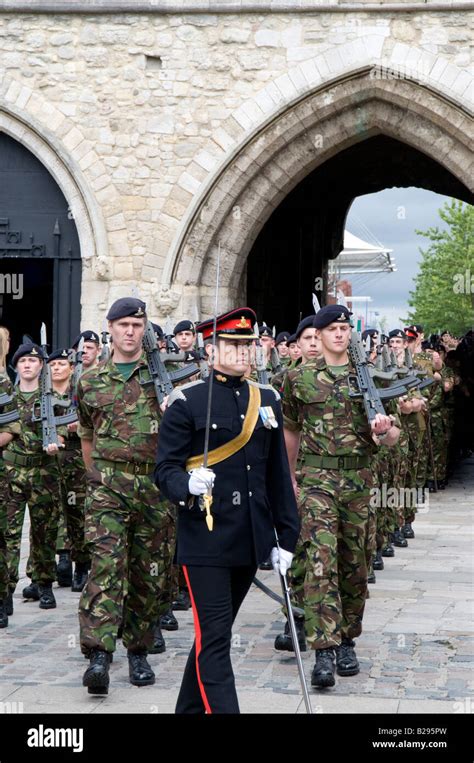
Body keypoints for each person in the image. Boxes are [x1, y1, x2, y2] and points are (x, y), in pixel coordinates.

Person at [155, 307, 300, 714]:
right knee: (215, 638)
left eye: (247, 346)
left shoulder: (267, 398)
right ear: (210, 348)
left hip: (249, 539)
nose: (243, 354)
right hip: (206, 539)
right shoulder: (186, 401)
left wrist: (285, 537)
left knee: (212, 636)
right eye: (233, 346)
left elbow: (277, 476)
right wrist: (187, 485)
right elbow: (163, 470)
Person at [282, 305, 400, 689]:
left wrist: (383, 430)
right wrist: (289, 479)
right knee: (320, 559)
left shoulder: (369, 378)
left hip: (358, 480)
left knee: (355, 562)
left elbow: (396, 436)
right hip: (316, 478)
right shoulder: (298, 378)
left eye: (344, 328)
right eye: (331, 328)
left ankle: (347, 638)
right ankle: (323, 649)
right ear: (319, 333)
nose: (339, 334)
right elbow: (290, 432)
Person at [76, 297, 170, 695]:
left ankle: (139, 651)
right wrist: (96, 478)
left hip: (154, 488)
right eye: (123, 324)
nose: (130, 331)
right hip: (108, 488)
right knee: (106, 567)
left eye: (137, 324)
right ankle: (99, 653)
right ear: (110, 329)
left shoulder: (165, 378)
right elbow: (85, 435)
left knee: (148, 572)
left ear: (144, 328)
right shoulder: (90, 381)